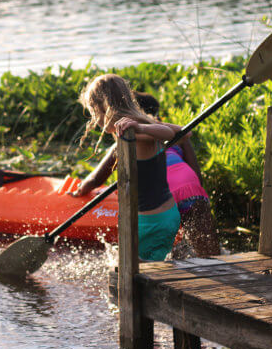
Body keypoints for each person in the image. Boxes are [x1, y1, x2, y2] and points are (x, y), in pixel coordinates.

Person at [72, 90, 219, 257]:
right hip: (191, 188)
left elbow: (95, 180)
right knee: (208, 252)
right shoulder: (168, 132)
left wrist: (79, 191)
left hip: (162, 197)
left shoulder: (128, 137)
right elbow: (196, 174)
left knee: (152, 252)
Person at [73, 74, 182, 261]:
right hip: (168, 216)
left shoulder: (134, 129)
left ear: (102, 107)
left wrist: (141, 128)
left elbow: (169, 133)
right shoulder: (139, 122)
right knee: (152, 271)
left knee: (131, 278)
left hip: (149, 224)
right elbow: (181, 132)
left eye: (93, 112)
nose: (94, 119)